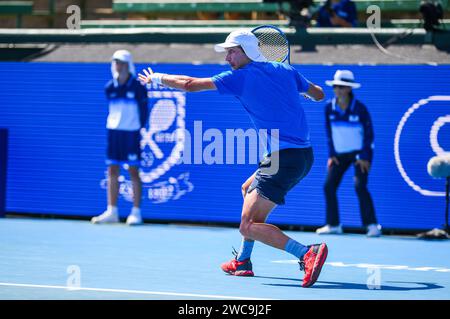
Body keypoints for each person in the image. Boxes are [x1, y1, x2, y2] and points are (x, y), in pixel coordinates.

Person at [138, 30, 328, 288]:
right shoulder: (286, 71)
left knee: (248, 225)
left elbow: (189, 84)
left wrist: (156, 77)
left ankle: (306, 253)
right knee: (247, 188)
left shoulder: (240, 77)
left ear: (248, 51)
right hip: (302, 156)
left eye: (232, 51)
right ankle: (243, 261)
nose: (227, 57)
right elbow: (319, 94)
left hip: (283, 159)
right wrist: (302, 92)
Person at [316, 70, 382, 237]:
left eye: (341, 87)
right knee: (328, 186)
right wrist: (331, 155)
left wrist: (365, 157)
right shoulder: (328, 108)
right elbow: (329, 134)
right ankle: (333, 224)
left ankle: (372, 225)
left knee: (360, 186)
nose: (338, 89)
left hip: (360, 155)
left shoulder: (360, 109)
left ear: (349, 89)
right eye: (336, 86)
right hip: (339, 156)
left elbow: (369, 135)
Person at [91, 50, 148, 226]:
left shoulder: (138, 87)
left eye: (122, 63)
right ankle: (112, 211)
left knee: (133, 171)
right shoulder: (109, 87)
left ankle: (136, 212)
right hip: (114, 133)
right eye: (116, 63)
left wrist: (137, 128)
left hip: (131, 134)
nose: (119, 66)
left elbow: (144, 112)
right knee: (112, 171)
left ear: (128, 65)